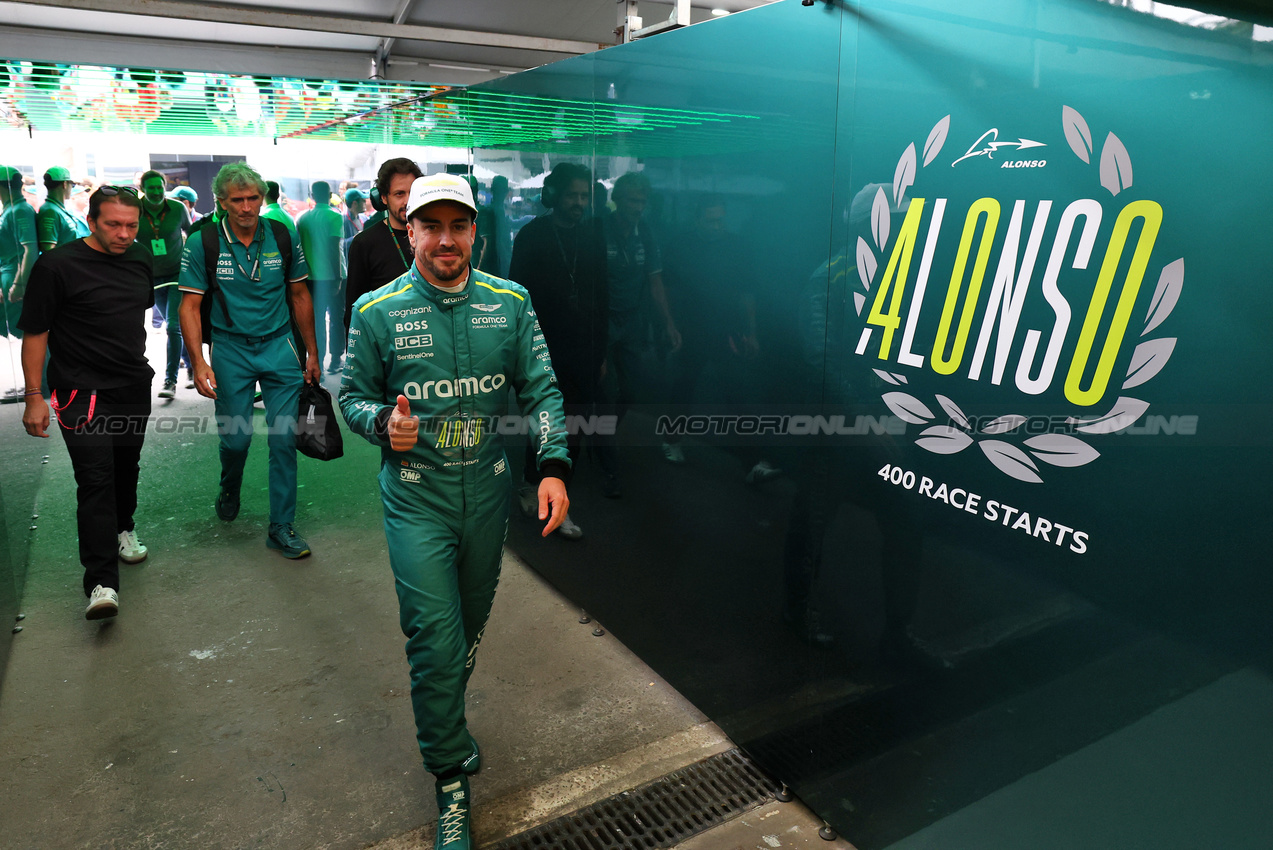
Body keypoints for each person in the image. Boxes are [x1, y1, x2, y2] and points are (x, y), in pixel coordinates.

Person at [339, 174, 571, 850]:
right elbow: (352, 397)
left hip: (490, 494)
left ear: (475, 232)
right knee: (435, 644)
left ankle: (443, 714)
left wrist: (552, 466)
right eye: (429, 225)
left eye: (458, 225)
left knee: (463, 635)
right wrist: (384, 423)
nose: (445, 239)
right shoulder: (376, 311)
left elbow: (542, 391)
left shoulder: (511, 301)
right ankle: (448, 779)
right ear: (406, 230)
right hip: (416, 497)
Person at [18, 185, 154, 620]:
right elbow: (35, 334)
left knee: (125, 467)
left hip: (132, 384)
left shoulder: (139, 258)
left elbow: (134, 317)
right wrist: (34, 396)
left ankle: (123, 528)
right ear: (91, 220)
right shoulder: (56, 266)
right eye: (113, 224)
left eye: (131, 225)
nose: (123, 234)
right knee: (95, 479)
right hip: (81, 392)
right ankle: (101, 582)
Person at [176, 162, 319, 558]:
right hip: (230, 349)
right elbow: (189, 306)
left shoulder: (281, 234)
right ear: (221, 202)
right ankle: (230, 483)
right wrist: (198, 362)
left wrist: (311, 352)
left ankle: (281, 526)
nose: (245, 207)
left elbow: (300, 295)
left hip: (278, 346)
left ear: (262, 198)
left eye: (252, 198)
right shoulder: (202, 242)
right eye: (236, 200)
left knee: (284, 438)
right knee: (236, 439)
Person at [508, 162, 608, 531]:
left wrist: (602, 352)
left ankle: (559, 495)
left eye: (584, 196)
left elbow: (603, 297)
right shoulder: (533, 236)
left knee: (575, 426)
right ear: (554, 196)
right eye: (572, 195)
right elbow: (517, 298)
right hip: (543, 348)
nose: (579, 202)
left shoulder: (593, 237)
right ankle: (531, 482)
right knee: (546, 422)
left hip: (583, 349)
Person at [596, 171, 680, 483]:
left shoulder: (645, 233)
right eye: (633, 199)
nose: (638, 206)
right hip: (601, 321)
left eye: (642, 201)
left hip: (631, 322)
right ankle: (604, 454)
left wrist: (668, 322)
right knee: (602, 390)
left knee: (630, 391)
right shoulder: (599, 229)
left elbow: (655, 281)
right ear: (617, 200)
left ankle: (603, 437)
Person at [344, 157, 422, 335]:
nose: (407, 201)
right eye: (399, 194)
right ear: (384, 198)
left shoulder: (433, 237)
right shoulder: (365, 244)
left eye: (412, 192)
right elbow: (353, 311)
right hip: (385, 346)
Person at [136, 169, 192, 398]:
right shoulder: (136, 210)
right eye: (152, 188)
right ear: (143, 190)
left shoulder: (178, 208)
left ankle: (170, 381)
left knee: (172, 326)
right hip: (153, 277)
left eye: (160, 187)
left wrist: (192, 263)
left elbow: (192, 234)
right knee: (176, 327)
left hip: (178, 274)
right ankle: (192, 365)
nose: (157, 192)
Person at [296, 180, 345, 374]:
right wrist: (338, 277)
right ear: (330, 194)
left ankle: (318, 365)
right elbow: (334, 248)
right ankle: (335, 360)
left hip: (310, 278)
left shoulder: (302, 219)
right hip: (332, 276)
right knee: (336, 319)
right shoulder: (335, 216)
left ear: (312, 196)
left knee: (315, 322)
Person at [1, 166, 38, 344]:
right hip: (10, 277)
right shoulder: (11, 209)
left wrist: (19, 284)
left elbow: (30, 250)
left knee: (27, 334)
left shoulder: (20, 210)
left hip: (17, 276)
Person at [36, 166, 90, 252]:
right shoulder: (50, 211)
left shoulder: (58, 209)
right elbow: (48, 249)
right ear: (64, 184)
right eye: (72, 185)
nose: (72, 188)